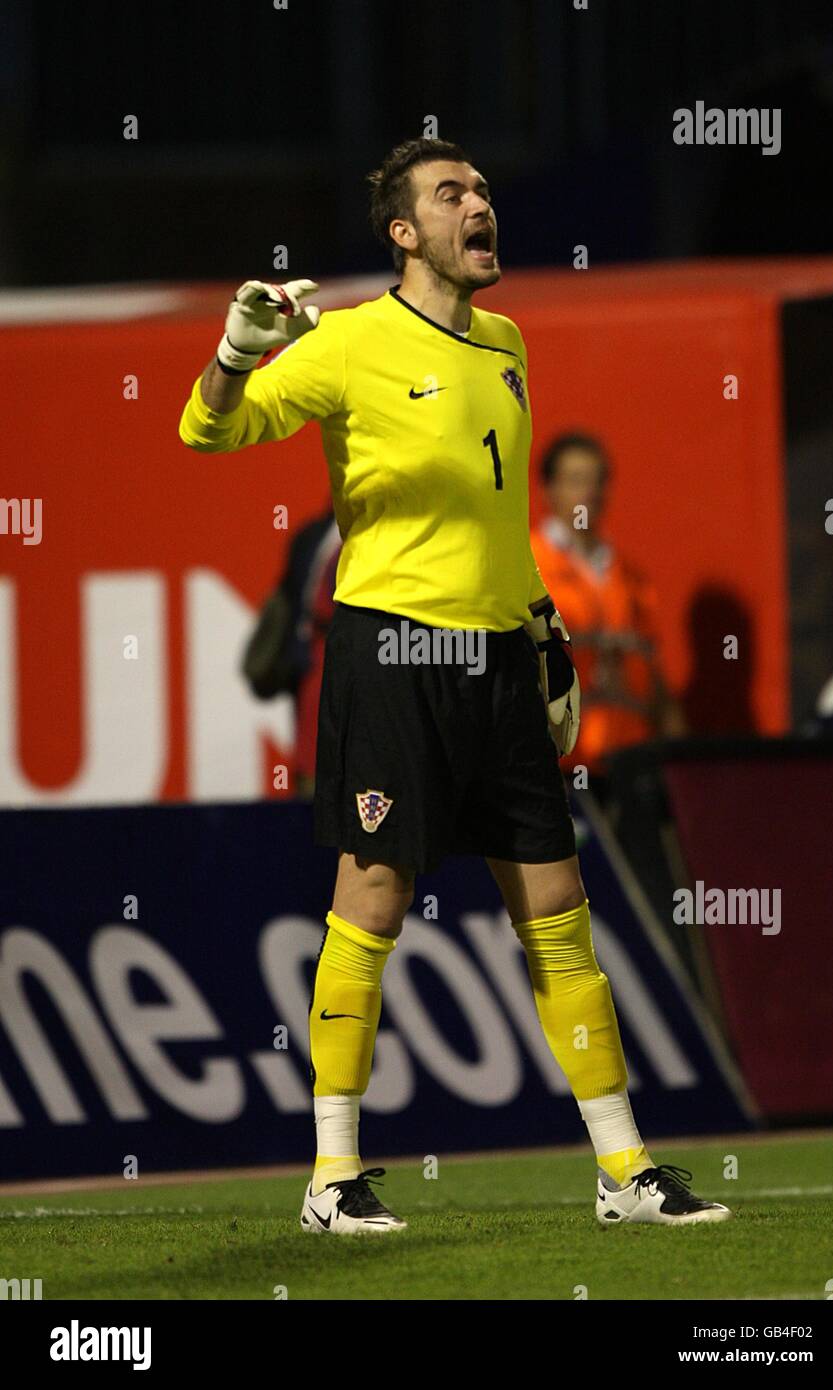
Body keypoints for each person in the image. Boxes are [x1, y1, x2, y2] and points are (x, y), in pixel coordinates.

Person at [179, 137, 729, 1233]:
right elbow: (207, 428)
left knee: (557, 912)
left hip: (497, 663)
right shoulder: (345, 345)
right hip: (392, 653)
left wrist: (547, 637)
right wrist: (237, 353)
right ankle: (332, 1177)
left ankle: (623, 1171)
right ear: (403, 231)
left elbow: (498, 516)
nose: (478, 204)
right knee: (373, 898)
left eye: (480, 189)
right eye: (451, 194)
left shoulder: (509, 341)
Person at [531, 434, 686, 786]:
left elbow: (654, 678)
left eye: (597, 480)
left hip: (630, 766)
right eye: (575, 480)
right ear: (547, 490)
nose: (589, 493)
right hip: (559, 768)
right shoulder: (527, 567)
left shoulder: (629, 578)